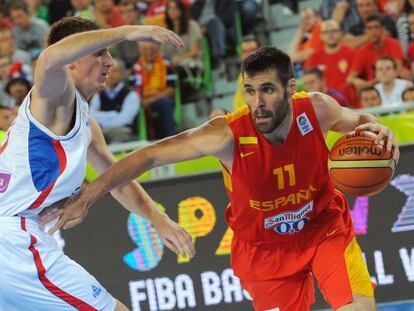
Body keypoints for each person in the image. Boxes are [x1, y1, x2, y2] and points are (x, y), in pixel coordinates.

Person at [45, 47, 400, 311]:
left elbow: (362, 123)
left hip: (324, 229)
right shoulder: (225, 135)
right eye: (249, 90)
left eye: (268, 90)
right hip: (264, 252)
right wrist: (90, 193)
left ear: (291, 88)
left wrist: (382, 132)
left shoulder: (318, 109)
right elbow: (148, 155)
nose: (257, 102)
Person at [0, 17, 194, 310]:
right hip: (13, 240)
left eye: (108, 52)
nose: (110, 61)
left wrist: (159, 220)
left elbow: (117, 180)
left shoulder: (85, 122)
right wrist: (126, 31)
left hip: (20, 238)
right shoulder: (56, 97)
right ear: (73, 60)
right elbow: (50, 57)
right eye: (100, 52)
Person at [90, 58, 140, 143]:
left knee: (122, 133)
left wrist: (102, 116)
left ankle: (110, 156)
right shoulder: (98, 95)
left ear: (122, 74)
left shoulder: (131, 95)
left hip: (120, 130)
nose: (111, 74)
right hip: (100, 130)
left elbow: (124, 119)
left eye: (115, 71)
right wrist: (113, 114)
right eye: (108, 71)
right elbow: (90, 117)